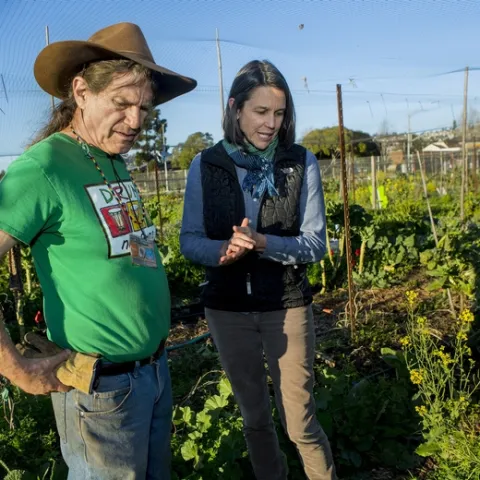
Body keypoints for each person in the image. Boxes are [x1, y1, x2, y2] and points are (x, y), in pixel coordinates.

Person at [0, 22, 196, 479]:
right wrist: (14, 369)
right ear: (81, 92)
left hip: (152, 373)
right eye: (122, 104)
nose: (136, 122)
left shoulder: (110, 159)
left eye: (144, 108)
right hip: (99, 390)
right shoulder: (44, 168)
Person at [180, 60, 336, 480]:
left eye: (279, 113)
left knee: (300, 423)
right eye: (260, 112)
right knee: (255, 419)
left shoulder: (300, 163)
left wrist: (266, 244)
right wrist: (223, 252)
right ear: (235, 109)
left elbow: (315, 243)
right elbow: (189, 239)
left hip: (285, 304)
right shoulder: (206, 164)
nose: (271, 124)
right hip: (227, 309)